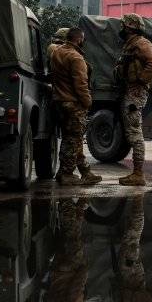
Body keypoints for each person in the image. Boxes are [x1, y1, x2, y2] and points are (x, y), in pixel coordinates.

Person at [48, 26, 101, 186]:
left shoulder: (57, 53)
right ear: (78, 39)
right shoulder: (76, 57)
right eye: (82, 39)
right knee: (72, 139)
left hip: (59, 101)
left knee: (72, 138)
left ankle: (85, 172)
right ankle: (66, 173)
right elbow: (81, 85)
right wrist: (87, 102)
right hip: (73, 103)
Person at [113, 13, 152, 186]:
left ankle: (138, 173)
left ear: (129, 27)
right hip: (130, 90)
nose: (122, 28)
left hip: (136, 92)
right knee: (132, 130)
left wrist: (140, 79)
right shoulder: (131, 44)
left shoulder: (141, 43)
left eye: (124, 25)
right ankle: (137, 172)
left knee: (134, 131)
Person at [43, 199, 89, 302]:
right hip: (57, 268)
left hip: (72, 267)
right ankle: (81, 205)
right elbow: (46, 295)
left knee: (72, 234)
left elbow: (76, 288)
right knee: (70, 234)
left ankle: (66, 200)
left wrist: (84, 271)